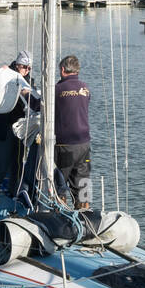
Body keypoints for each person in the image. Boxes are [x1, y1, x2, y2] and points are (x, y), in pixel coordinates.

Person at [0, 50, 37, 204]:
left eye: (29, 67)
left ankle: (14, 191)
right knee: (2, 164)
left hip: (19, 128)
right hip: (2, 127)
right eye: (24, 66)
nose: (26, 70)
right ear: (17, 64)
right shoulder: (3, 75)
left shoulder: (28, 81)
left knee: (17, 163)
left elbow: (33, 102)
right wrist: (0, 76)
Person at [54, 54, 91, 211]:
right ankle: (85, 214)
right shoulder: (85, 88)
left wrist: (26, 94)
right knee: (83, 181)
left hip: (65, 144)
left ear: (62, 70)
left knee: (60, 181)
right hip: (84, 144)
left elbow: (38, 105)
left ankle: (60, 213)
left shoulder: (57, 89)